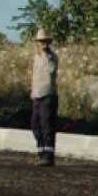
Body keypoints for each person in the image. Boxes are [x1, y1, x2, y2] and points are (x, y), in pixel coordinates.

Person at [30, 28, 59, 166]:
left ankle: (48, 157)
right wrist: (32, 91)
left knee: (47, 125)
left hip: (48, 95)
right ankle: (41, 153)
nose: (43, 44)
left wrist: (46, 54)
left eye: (45, 41)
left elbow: (51, 71)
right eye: (41, 41)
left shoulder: (51, 56)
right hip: (37, 95)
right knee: (35, 125)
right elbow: (35, 75)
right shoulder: (36, 57)